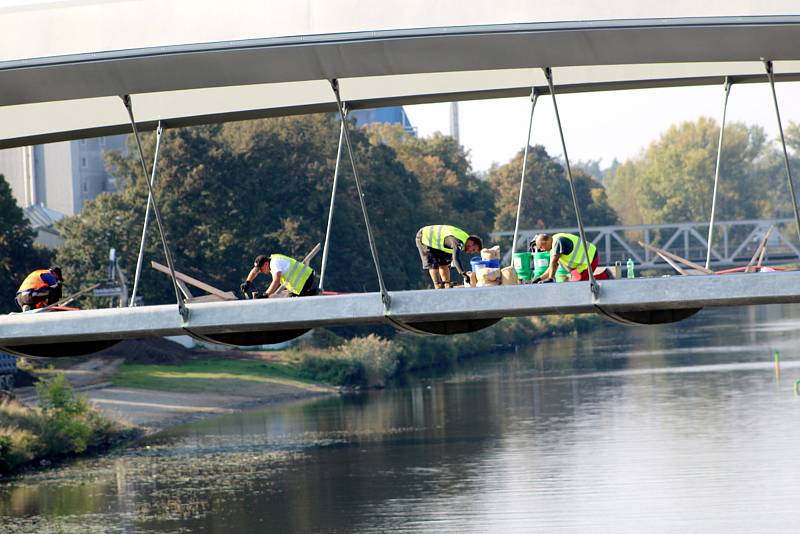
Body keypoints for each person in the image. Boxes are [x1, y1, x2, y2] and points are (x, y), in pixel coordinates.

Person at [416, 225, 483, 288]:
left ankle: (447, 283)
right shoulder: (458, 242)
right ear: (471, 242)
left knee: (444, 263)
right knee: (433, 264)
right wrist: (463, 273)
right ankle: (437, 285)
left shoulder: (465, 239)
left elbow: (450, 260)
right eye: (473, 249)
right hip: (425, 237)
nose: (471, 252)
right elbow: (455, 258)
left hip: (439, 242)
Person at [532, 233, 609, 282]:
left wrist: (550, 278)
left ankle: (606, 276)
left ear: (545, 242)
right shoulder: (553, 246)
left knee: (580, 284)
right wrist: (540, 278)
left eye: (541, 247)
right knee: (574, 284)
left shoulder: (558, 242)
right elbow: (552, 267)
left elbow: (553, 263)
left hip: (590, 259)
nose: (542, 250)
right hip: (581, 265)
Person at [240, 254, 317, 298]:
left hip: (305, 279)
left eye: (261, 268)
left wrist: (265, 295)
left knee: (297, 301)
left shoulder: (274, 263)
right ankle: (312, 293)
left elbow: (276, 281)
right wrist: (247, 282)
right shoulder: (271, 262)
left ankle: (314, 293)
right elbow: (254, 271)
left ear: (266, 263)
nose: (260, 271)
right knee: (290, 298)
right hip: (303, 280)